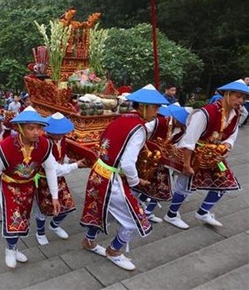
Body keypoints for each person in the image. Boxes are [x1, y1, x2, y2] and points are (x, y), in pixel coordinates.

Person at [80, 84, 169, 271]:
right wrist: (136, 181)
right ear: (143, 106)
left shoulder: (121, 118)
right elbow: (128, 163)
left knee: (100, 209)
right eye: (155, 107)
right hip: (112, 178)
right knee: (134, 219)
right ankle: (114, 251)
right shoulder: (138, 128)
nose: (157, 112)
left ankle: (89, 241)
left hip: (98, 171)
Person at [163, 79, 248, 230]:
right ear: (227, 94)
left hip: (215, 155)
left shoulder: (236, 114)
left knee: (224, 183)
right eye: (238, 96)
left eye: (244, 98)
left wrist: (227, 145)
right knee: (185, 187)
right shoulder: (205, 113)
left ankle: (203, 212)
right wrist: (187, 165)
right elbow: (189, 141)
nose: (241, 101)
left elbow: (231, 136)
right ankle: (171, 214)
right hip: (195, 154)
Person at [0, 106, 60, 269]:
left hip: (28, 187)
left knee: (23, 219)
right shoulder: (5, 147)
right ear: (19, 128)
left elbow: (50, 169)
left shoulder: (44, 145)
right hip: (9, 186)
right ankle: (10, 249)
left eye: (39, 128)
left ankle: (14, 247)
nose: (36, 132)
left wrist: (55, 196)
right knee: (14, 218)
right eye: (31, 128)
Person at [34, 112, 85, 245]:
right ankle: (40, 232)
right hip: (44, 180)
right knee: (43, 209)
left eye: (63, 132)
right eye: (58, 132)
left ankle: (54, 225)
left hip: (59, 178)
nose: (62, 135)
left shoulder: (62, 139)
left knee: (68, 205)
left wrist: (69, 160)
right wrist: (76, 166)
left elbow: (62, 155)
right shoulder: (44, 143)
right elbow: (53, 168)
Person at [134, 104, 188, 223]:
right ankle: (134, 206)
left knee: (159, 187)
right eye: (182, 123)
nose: (183, 126)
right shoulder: (160, 122)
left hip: (162, 162)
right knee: (139, 183)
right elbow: (141, 130)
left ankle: (146, 211)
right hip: (146, 156)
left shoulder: (181, 130)